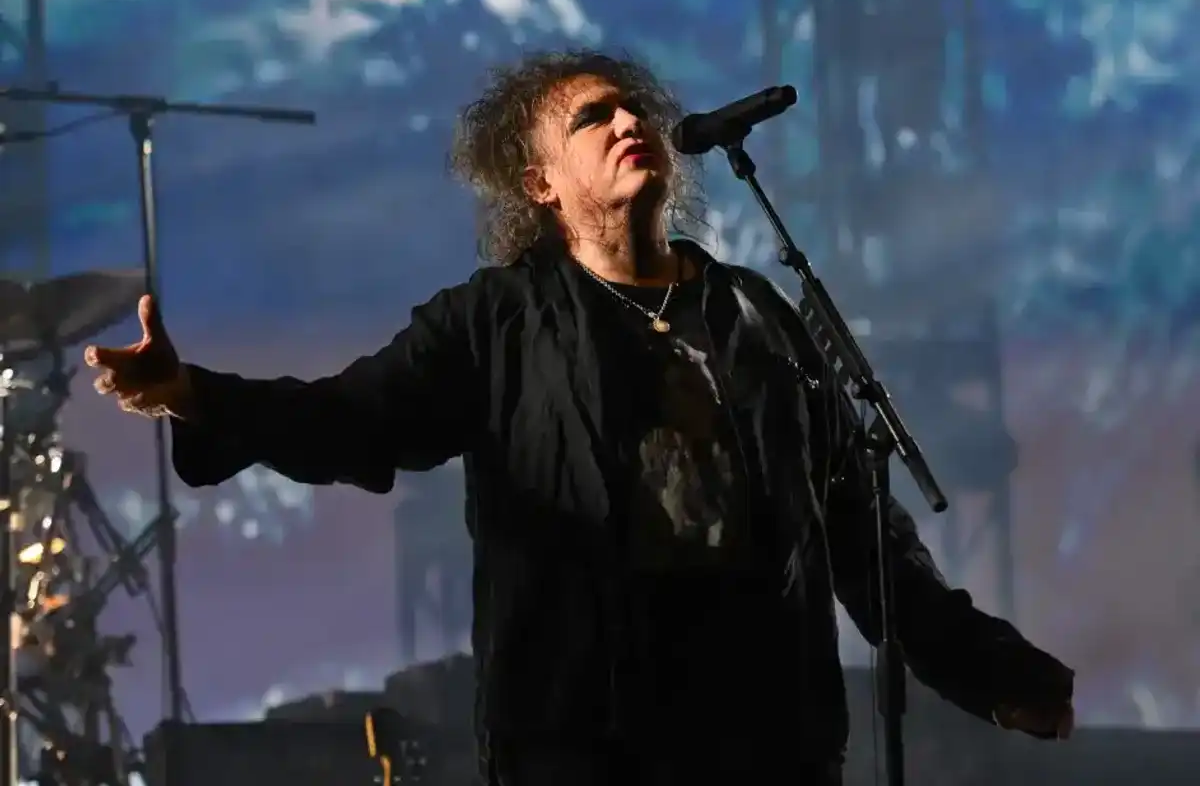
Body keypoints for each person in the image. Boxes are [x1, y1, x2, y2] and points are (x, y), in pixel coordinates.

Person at [86, 50, 1074, 785]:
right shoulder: (497, 320)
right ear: (540, 184)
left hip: (766, 724)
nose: (628, 120)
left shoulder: (756, 314)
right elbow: (354, 419)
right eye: (593, 116)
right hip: (585, 730)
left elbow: (859, 530)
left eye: (634, 105)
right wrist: (195, 393)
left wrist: (991, 668)